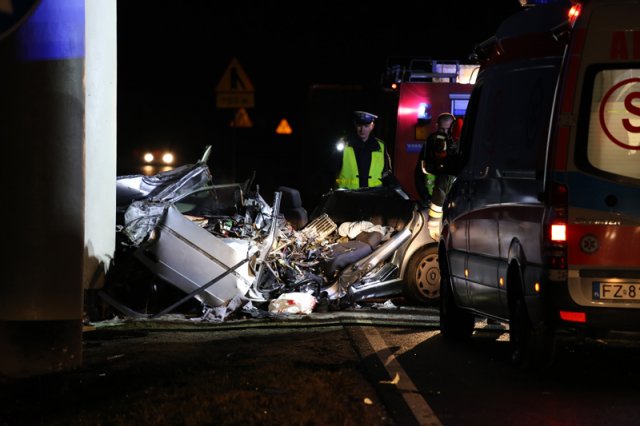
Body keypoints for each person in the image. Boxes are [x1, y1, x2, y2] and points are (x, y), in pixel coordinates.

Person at [417, 112, 457, 240]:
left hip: (451, 202)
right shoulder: (430, 143)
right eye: (441, 130)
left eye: (448, 129)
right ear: (436, 126)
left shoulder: (457, 145)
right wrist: (425, 196)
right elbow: (419, 173)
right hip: (430, 200)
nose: (445, 133)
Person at [335, 110, 392, 189]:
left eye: (366, 126)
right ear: (355, 125)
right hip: (347, 194)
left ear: (372, 126)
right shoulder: (344, 144)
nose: (362, 130)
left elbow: (386, 173)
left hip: (373, 194)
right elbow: (331, 171)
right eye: (359, 125)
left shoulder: (381, 146)